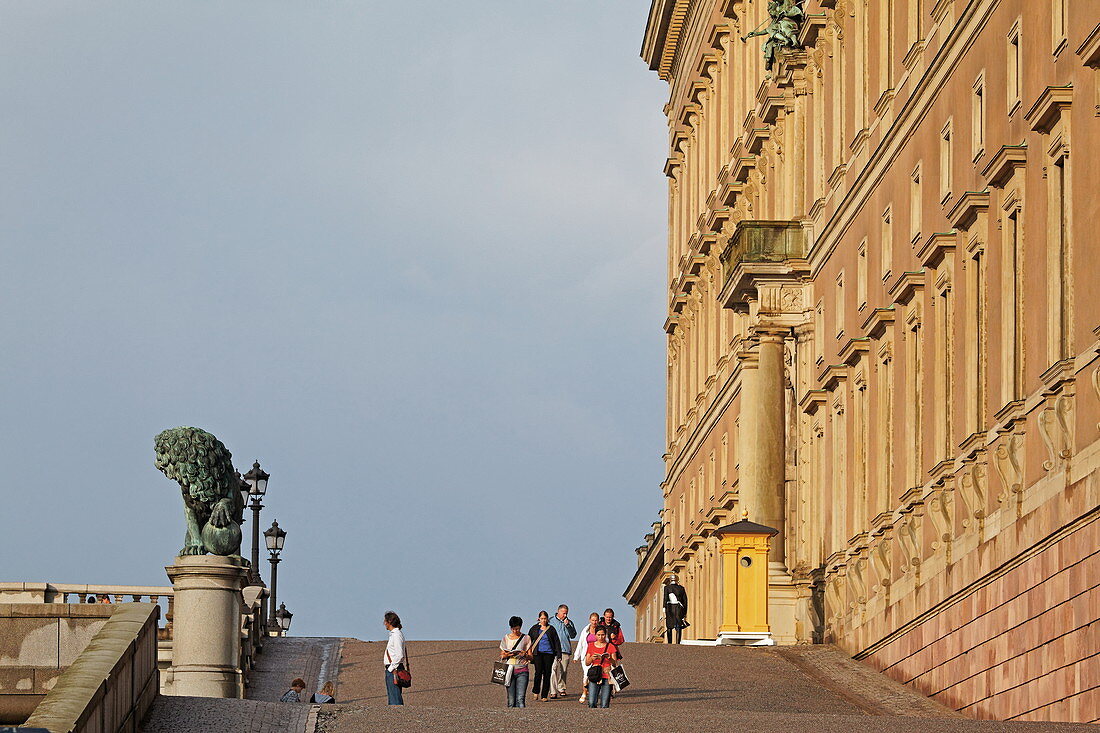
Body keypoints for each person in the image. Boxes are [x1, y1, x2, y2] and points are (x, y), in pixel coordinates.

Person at [526, 610, 561, 702]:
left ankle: (544, 695)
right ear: (538, 619)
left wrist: (559, 654)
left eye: (545, 618)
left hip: (549, 654)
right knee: (538, 673)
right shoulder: (534, 628)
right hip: (538, 653)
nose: (543, 620)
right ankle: (536, 691)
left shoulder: (551, 629)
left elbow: (556, 642)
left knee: (547, 674)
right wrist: (527, 652)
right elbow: (528, 640)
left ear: (547, 619)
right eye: (541, 618)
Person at [499, 616, 532, 708]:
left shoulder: (526, 638)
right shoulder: (506, 638)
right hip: (509, 669)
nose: (515, 631)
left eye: (517, 629)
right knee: (511, 699)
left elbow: (531, 656)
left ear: (520, 627)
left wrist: (524, 654)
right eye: (513, 629)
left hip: (522, 669)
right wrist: (508, 654)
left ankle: (522, 718)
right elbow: (502, 655)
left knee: (520, 699)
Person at [584, 627, 618, 708]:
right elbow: (587, 663)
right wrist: (592, 658)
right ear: (595, 635)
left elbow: (615, 663)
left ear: (605, 635)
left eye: (602, 635)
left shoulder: (610, 646)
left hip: (606, 675)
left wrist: (609, 658)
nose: (600, 637)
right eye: (598, 635)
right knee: (592, 702)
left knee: (605, 703)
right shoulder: (591, 646)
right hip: (595, 675)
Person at [548, 604, 576, 699]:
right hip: (553, 650)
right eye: (563, 613)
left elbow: (573, 635)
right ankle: (553, 691)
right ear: (558, 611)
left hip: (565, 649)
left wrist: (568, 625)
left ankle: (562, 688)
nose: (565, 615)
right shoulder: (550, 621)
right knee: (553, 669)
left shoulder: (569, 622)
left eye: (566, 613)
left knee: (563, 670)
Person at [572, 612, 600, 704]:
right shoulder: (585, 630)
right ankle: (584, 692)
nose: (594, 622)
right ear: (589, 620)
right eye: (593, 620)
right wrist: (576, 656)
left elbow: (605, 640)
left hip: (597, 656)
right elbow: (580, 643)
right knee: (586, 675)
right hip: (586, 655)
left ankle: (593, 693)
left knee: (596, 675)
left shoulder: (600, 630)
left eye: (596, 620)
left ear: (598, 621)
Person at [383, 611, 407, 706]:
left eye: (385, 621)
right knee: (392, 695)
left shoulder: (396, 635)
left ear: (389, 622)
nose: (384, 623)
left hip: (394, 669)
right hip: (393, 668)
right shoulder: (395, 634)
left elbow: (399, 654)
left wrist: (391, 668)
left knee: (395, 697)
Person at [664, 574, 689, 644]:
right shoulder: (681, 588)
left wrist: (664, 607)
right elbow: (685, 601)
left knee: (669, 626)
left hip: (670, 607)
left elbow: (665, 598)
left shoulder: (667, 588)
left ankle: (670, 642)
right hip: (678, 607)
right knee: (678, 625)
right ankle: (677, 642)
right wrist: (684, 612)